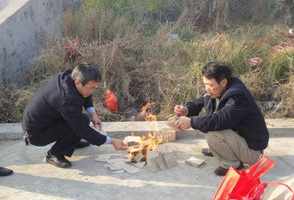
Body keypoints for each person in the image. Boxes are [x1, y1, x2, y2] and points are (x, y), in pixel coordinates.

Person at [23, 63, 127, 168]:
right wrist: (111, 141)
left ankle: (71, 141)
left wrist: (93, 114)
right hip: (37, 134)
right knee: (79, 124)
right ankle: (54, 154)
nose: (92, 91)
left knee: (83, 119)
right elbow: (81, 128)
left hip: (47, 121)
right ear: (78, 82)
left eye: (95, 87)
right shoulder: (67, 99)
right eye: (91, 87)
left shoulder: (70, 77)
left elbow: (86, 95)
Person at [174, 62, 269, 176]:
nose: (207, 88)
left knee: (212, 132)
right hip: (241, 141)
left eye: (210, 85)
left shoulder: (237, 97)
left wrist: (191, 122)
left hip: (253, 152)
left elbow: (219, 120)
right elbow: (202, 101)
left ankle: (232, 164)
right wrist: (186, 110)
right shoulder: (220, 89)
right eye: (205, 84)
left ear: (223, 82)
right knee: (209, 127)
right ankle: (222, 151)